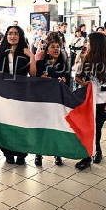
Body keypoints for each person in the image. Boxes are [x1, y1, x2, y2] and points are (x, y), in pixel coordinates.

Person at [0, 25, 36, 165]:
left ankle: (22, 154)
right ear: (6, 35)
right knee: (6, 124)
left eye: (16, 33)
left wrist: (32, 56)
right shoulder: (0, 51)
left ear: (20, 36)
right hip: (4, 94)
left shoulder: (25, 51)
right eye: (10, 33)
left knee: (21, 124)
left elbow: (33, 74)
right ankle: (8, 153)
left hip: (22, 93)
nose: (13, 36)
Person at [74, 32, 106, 170]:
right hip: (87, 102)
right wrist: (84, 83)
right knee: (87, 129)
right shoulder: (85, 60)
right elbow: (77, 77)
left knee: (97, 129)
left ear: (95, 44)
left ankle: (97, 150)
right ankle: (87, 156)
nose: (87, 44)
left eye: (89, 42)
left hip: (101, 102)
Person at [34, 33, 70, 167]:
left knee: (56, 128)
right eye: (53, 47)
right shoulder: (39, 64)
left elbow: (68, 84)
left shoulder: (64, 65)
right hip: (42, 102)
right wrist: (40, 79)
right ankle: (38, 155)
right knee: (42, 129)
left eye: (58, 47)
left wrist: (64, 81)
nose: (56, 49)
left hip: (58, 102)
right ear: (47, 50)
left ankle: (57, 154)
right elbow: (34, 82)